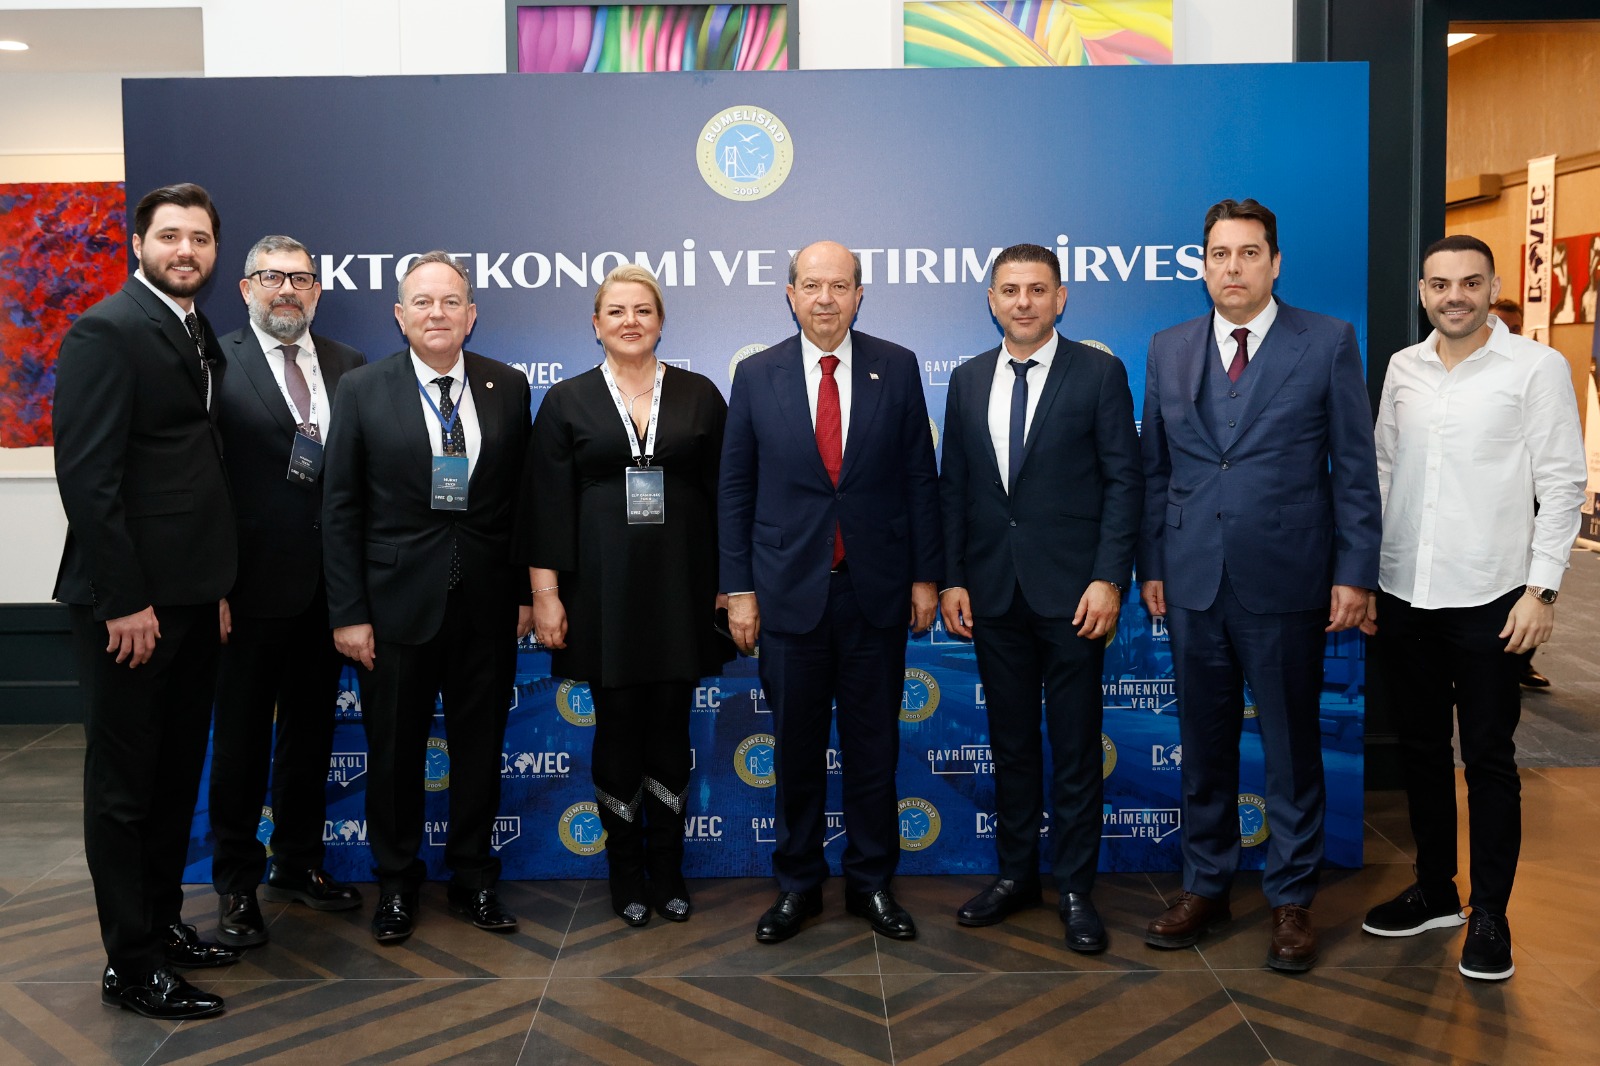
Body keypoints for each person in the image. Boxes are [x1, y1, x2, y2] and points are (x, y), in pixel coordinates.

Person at [1137, 198, 1382, 973]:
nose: (1233, 267)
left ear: (1275, 263)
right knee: (1203, 747)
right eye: (1220, 254)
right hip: (1192, 582)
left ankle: (1292, 900)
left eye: (1249, 253)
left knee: (1290, 749)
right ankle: (1204, 885)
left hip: (1288, 579)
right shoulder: (1169, 347)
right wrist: (1152, 565)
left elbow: (1354, 468)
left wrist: (1355, 572)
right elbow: (1155, 471)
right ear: (1203, 265)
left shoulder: (1328, 341)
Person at [1361, 235, 1585, 982]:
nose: (1453, 295)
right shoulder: (1404, 367)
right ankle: (1436, 890)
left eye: (1469, 282)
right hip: (1404, 592)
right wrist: (1369, 575)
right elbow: (1383, 470)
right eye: (1439, 283)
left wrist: (1541, 590)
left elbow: (1562, 482)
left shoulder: (1536, 368)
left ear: (1491, 287)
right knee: (1422, 751)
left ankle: (1491, 913)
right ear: (1422, 291)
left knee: (1488, 759)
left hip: (1494, 597)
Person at [719, 240, 943, 944]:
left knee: (875, 750)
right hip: (787, 595)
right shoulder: (756, 374)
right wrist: (738, 590)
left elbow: (920, 478)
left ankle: (872, 882)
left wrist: (926, 576)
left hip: (875, 593)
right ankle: (798, 886)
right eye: (812, 285)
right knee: (796, 752)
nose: (826, 298)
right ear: (790, 295)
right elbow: (735, 488)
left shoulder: (896, 366)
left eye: (839, 286)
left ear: (859, 295)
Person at [54, 183, 239, 1019]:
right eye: (169, 236)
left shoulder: (194, 329)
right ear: (139, 244)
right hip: (130, 609)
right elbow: (88, 477)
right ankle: (131, 967)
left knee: (170, 781)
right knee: (124, 791)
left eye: (199, 237)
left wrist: (214, 588)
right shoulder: (107, 329)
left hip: (191, 600)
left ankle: (161, 927)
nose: (185, 250)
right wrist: (123, 599)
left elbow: (193, 466)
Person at [322, 251, 533, 944]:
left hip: (486, 605)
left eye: (450, 302)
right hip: (392, 608)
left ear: (471, 315)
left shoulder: (508, 386)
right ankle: (396, 885)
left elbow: (520, 502)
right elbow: (341, 507)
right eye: (422, 302)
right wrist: (349, 612)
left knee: (481, 750)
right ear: (399, 315)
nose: (436, 313)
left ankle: (474, 879)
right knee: (393, 757)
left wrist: (526, 594)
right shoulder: (362, 389)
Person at [938, 244, 1141, 952]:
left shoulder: (1099, 372)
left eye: (1036, 289)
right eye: (1009, 290)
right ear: (992, 300)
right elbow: (955, 488)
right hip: (993, 594)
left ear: (1061, 298)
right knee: (1011, 745)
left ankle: (1076, 888)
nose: (1022, 302)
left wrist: (1110, 577)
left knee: (1077, 748)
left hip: (1075, 596)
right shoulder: (967, 379)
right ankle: (1016, 875)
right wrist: (954, 577)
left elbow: (1124, 481)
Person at [522, 265, 731, 927]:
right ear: (596, 324)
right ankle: (625, 873)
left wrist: (732, 587)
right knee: (616, 731)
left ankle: (668, 870)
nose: (630, 321)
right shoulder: (566, 401)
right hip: (600, 595)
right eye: (616, 311)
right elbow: (545, 506)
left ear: (661, 322)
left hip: (682, 590)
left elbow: (728, 498)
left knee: (670, 730)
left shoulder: (700, 395)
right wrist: (546, 593)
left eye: (643, 310)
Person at [209, 235, 366, 948]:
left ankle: (298, 865)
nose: (287, 290)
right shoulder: (216, 365)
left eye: (300, 279)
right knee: (241, 743)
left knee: (310, 737)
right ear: (246, 289)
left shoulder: (349, 365)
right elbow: (204, 480)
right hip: (245, 592)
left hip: (327, 592)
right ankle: (237, 885)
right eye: (271, 277)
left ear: (317, 291)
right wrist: (213, 584)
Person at [1488, 298, 1551, 690]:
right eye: (1502, 324)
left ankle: (1520, 661)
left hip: (1530, 498)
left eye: (1515, 328)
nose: (1508, 333)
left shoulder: (1539, 367)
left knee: (1530, 584)